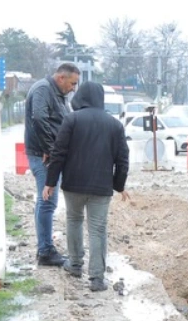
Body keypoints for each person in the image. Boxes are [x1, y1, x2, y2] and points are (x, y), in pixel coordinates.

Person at [43, 81, 129, 292]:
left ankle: (75, 264)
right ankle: (97, 278)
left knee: (74, 220)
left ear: (80, 97)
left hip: (73, 184)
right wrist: (119, 185)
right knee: (98, 229)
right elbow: (123, 159)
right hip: (101, 187)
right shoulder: (115, 125)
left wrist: (50, 182)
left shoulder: (71, 120)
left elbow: (58, 153)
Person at [24, 62, 81, 267]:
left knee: (44, 202)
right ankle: (46, 251)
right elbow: (39, 119)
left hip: (49, 154)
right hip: (43, 155)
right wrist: (50, 149)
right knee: (48, 201)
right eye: (72, 83)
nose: (73, 88)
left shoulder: (57, 95)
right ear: (61, 78)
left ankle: (44, 246)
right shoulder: (43, 90)